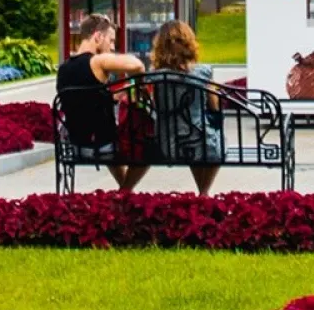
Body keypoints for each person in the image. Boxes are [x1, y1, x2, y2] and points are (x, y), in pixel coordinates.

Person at [55, 13, 146, 189]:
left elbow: (85, 100)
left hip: (75, 147)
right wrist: (139, 84)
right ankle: (126, 192)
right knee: (147, 147)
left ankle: (125, 192)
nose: (112, 47)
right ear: (98, 36)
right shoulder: (97, 61)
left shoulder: (63, 68)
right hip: (101, 146)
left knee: (107, 135)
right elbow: (137, 65)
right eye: (110, 41)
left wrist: (111, 96)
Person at [135, 20, 223, 196]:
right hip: (201, 144)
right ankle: (204, 193)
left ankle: (203, 194)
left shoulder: (154, 75)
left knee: (194, 140)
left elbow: (149, 103)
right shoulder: (203, 72)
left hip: (166, 144)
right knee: (213, 141)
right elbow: (214, 106)